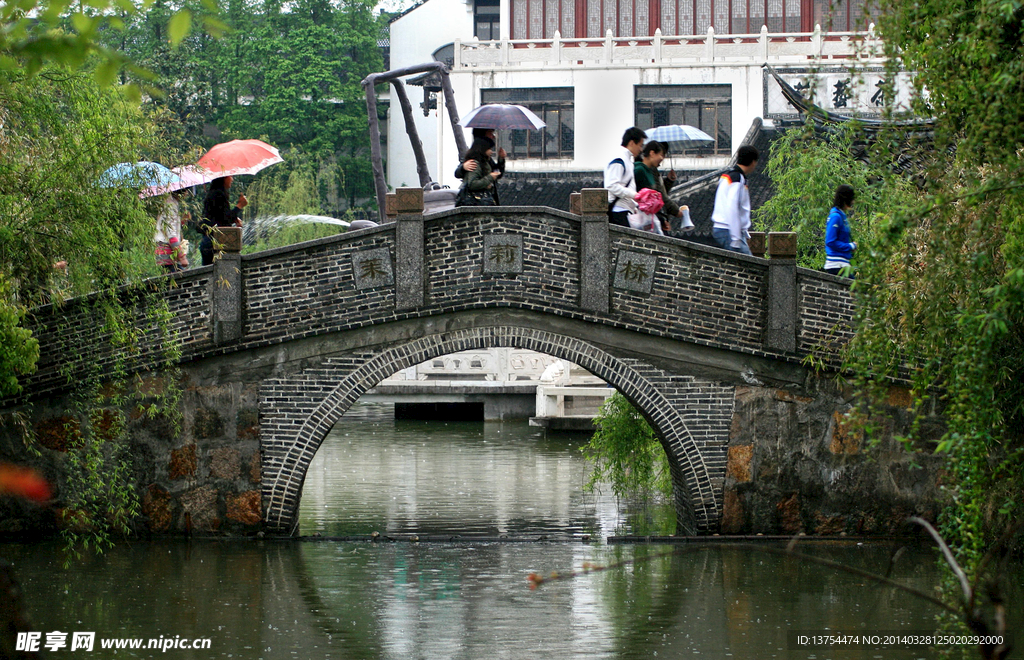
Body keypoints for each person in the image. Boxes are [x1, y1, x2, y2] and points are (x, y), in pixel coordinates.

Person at [711, 145, 759, 255]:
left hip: (728, 230)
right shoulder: (737, 179)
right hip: (728, 230)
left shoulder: (729, 175)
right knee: (751, 266)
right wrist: (736, 237)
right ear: (753, 162)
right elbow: (733, 208)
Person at [634, 141, 689, 234]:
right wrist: (675, 212)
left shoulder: (651, 170)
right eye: (661, 154)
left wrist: (669, 181)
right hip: (647, 216)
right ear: (652, 153)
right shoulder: (643, 171)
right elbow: (658, 196)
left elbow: (658, 194)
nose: (662, 158)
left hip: (654, 216)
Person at [200, 176, 246, 266]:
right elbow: (225, 219)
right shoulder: (218, 194)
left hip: (208, 241)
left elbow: (219, 217)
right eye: (230, 177)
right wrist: (239, 206)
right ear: (223, 178)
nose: (232, 179)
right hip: (215, 242)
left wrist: (234, 218)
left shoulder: (212, 194)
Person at [604, 127, 647, 227]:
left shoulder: (627, 160)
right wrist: (635, 195)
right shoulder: (619, 158)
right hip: (618, 211)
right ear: (632, 143)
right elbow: (611, 185)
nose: (641, 149)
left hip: (625, 210)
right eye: (640, 145)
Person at [456, 128, 506, 204]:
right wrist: (463, 167)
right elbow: (462, 176)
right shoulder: (474, 158)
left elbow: (496, 172)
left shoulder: (485, 159)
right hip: (476, 201)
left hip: (487, 197)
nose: (493, 136)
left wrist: (501, 159)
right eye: (490, 133)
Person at [154, 189, 191, 273]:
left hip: (165, 250)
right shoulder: (171, 205)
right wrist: (182, 257)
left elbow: (168, 226)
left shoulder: (170, 203)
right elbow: (170, 233)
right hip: (167, 252)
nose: (187, 193)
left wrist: (182, 221)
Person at [824, 184, 857, 277]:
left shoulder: (842, 216)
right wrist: (850, 246)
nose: (853, 201)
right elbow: (830, 241)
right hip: (837, 265)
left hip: (843, 263)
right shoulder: (836, 217)